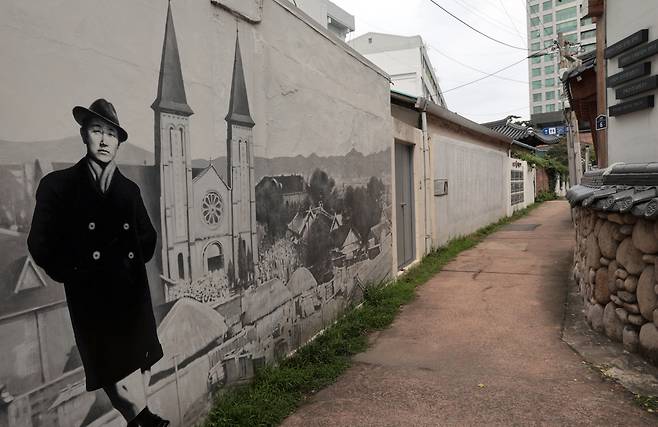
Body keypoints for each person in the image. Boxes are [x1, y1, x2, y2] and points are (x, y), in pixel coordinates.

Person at [28, 99, 169, 427]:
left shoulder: (129, 191)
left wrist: (127, 264)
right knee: (119, 384)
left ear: (119, 141)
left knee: (137, 380)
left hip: (133, 302)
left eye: (111, 134)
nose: (104, 140)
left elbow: (147, 241)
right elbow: (40, 243)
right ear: (84, 135)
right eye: (96, 131)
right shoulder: (58, 187)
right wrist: (77, 272)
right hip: (93, 306)